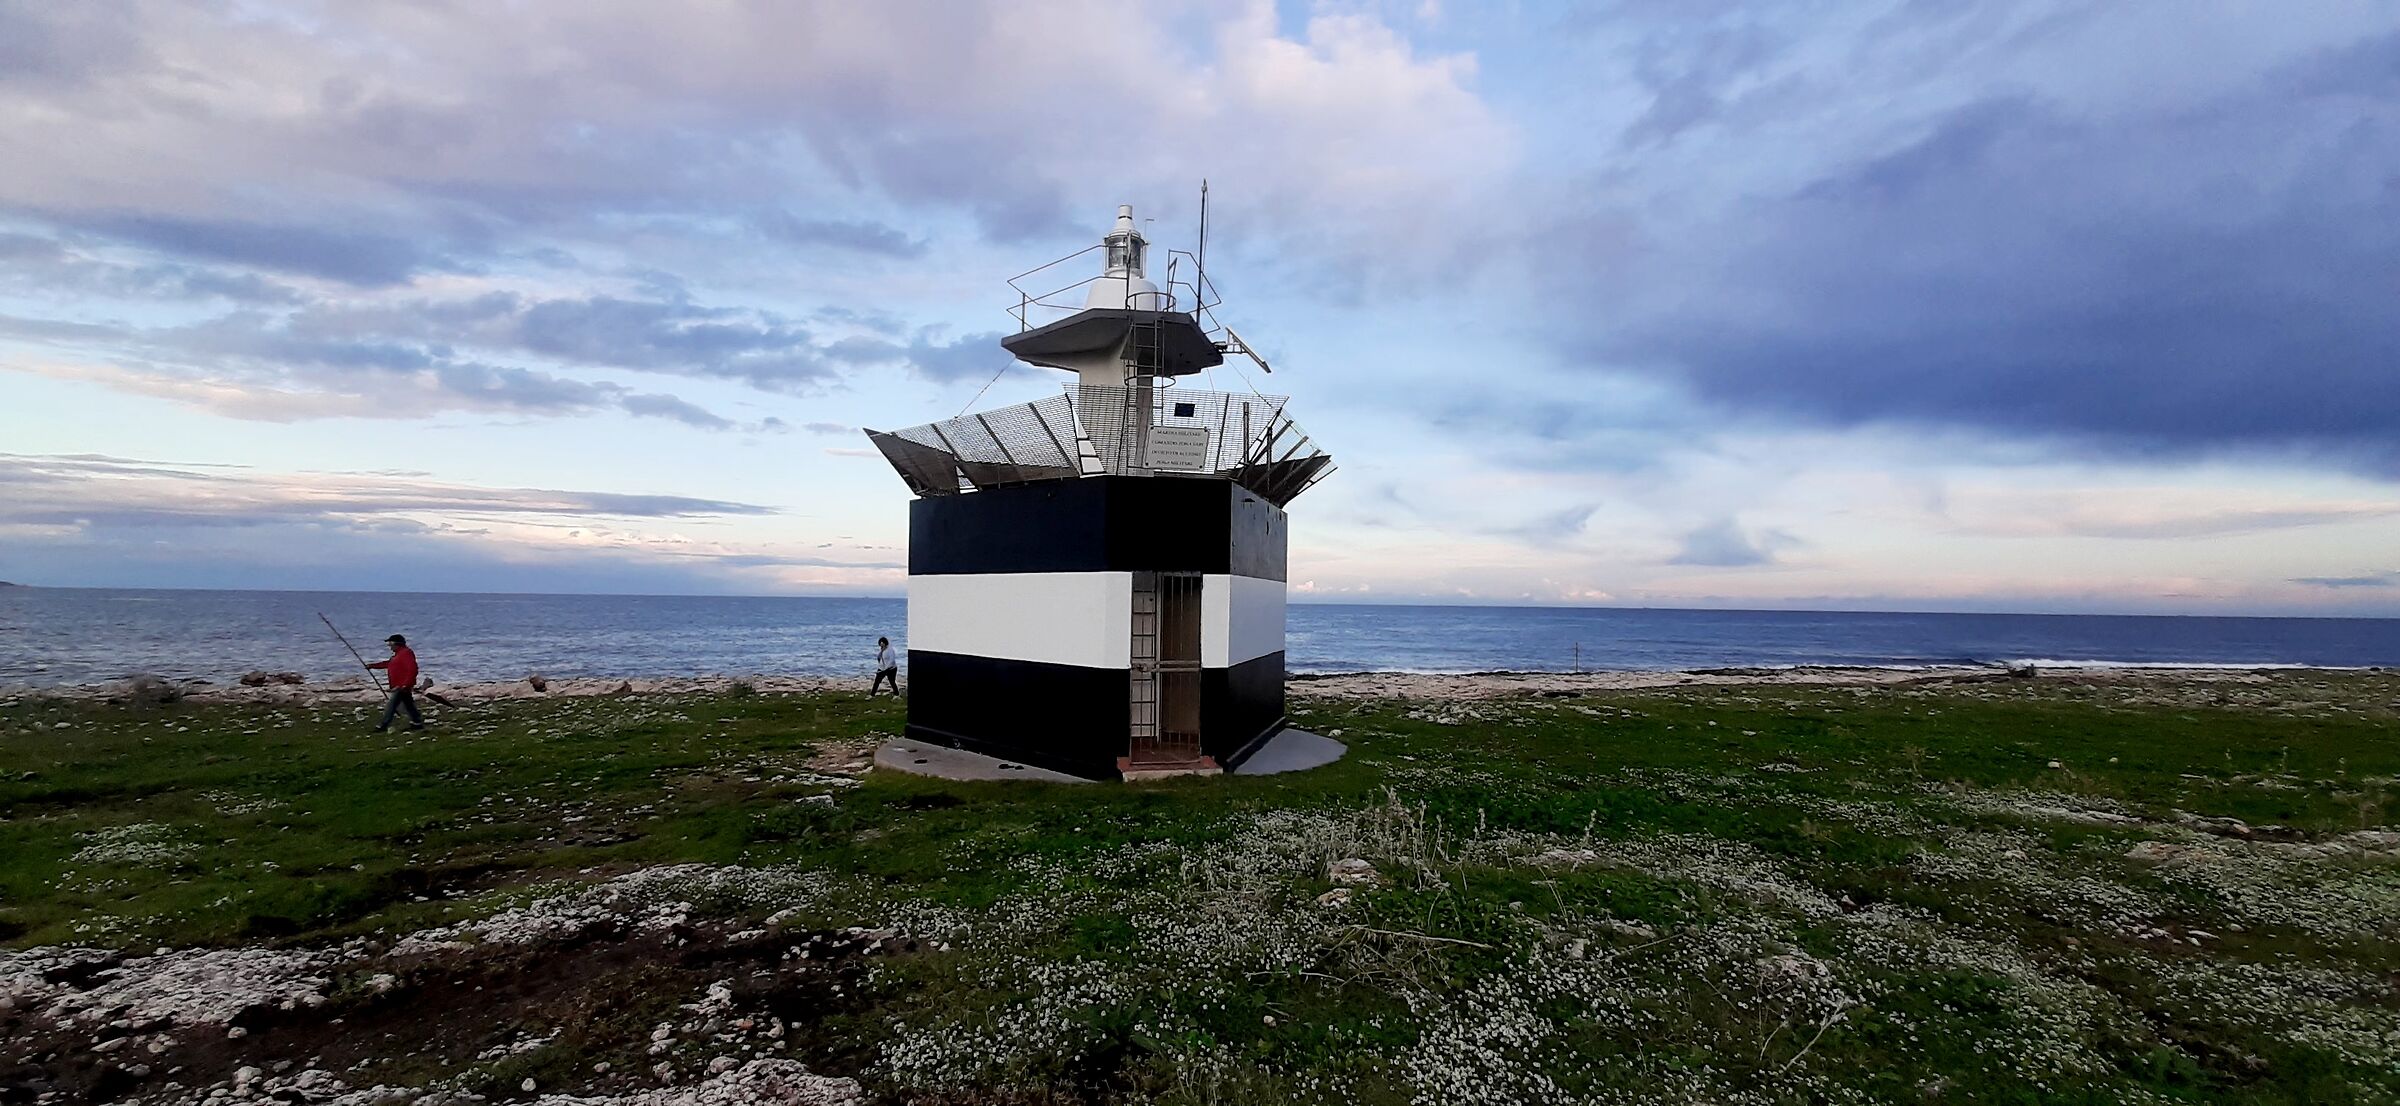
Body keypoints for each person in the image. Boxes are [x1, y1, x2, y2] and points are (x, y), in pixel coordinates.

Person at [366, 633, 425, 732]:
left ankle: (383, 725)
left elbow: (413, 669)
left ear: (396, 644)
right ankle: (417, 722)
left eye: (390, 644)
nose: (390, 647)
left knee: (392, 705)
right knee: (408, 704)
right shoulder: (397, 655)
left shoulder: (406, 653)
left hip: (402, 686)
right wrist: (372, 666)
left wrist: (406, 684)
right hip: (400, 685)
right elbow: (388, 664)